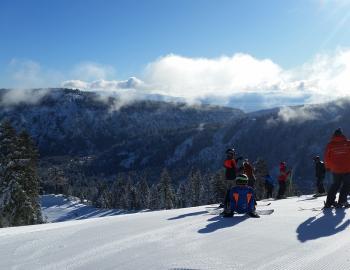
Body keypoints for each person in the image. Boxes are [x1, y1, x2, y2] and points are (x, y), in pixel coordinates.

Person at [324, 128, 350, 208]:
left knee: (335, 185)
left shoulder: (330, 145)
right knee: (346, 185)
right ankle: (342, 201)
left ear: (334, 135)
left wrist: (327, 167)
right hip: (347, 169)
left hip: (335, 170)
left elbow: (326, 157)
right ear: (342, 134)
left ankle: (329, 202)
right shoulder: (348, 143)